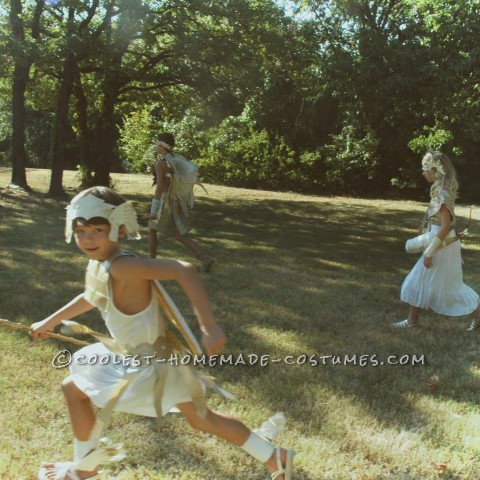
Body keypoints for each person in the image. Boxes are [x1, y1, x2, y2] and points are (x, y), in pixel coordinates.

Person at [30, 186, 293, 480]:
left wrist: (209, 327)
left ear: (118, 229)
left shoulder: (123, 266)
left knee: (201, 419)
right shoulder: (101, 263)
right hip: (132, 354)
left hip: (152, 366)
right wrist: (50, 321)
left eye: (97, 229)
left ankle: (84, 471)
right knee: (202, 419)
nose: (88, 238)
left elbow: (184, 270)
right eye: (81, 231)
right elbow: (93, 295)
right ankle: (274, 457)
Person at [393, 151, 480, 331]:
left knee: (451, 286)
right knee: (419, 280)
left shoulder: (441, 193)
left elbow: (445, 226)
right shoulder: (440, 189)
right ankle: (412, 321)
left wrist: (428, 252)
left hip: (442, 244)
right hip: (440, 240)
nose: (423, 173)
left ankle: (478, 316)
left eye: (425, 169)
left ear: (435, 171)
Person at [148, 133, 214, 272]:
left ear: (162, 145)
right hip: (174, 200)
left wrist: (154, 209)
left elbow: (160, 187)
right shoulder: (173, 160)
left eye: (157, 142)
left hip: (165, 202)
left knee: (153, 229)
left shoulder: (161, 164)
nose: (155, 145)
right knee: (177, 233)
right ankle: (204, 258)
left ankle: (151, 262)